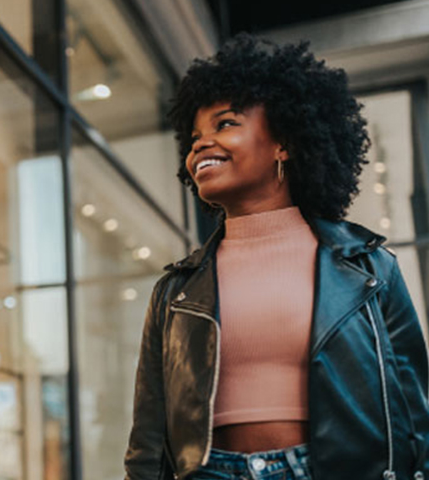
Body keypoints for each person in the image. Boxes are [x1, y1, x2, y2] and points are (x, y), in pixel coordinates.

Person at [124, 34, 429, 480]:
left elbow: (414, 410)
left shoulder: (367, 269)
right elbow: (148, 438)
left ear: (283, 142)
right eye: (194, 137)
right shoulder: (175, 291)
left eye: (225, 124)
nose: (201, 144)